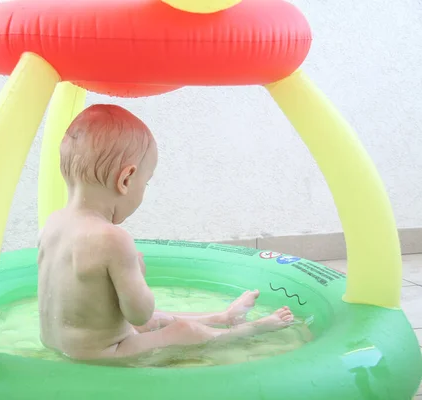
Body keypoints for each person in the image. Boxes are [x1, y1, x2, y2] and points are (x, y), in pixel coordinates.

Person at [37, 104, 294, 362]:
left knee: (159, 320)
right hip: (103, 354)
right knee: (182, 331)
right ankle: (247, 330)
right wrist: (138, 273)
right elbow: (139, 314)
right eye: (145, 182)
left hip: (62, 344)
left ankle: (223, 318)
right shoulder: (113, 239)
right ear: (126, 179)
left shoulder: (52, 224)